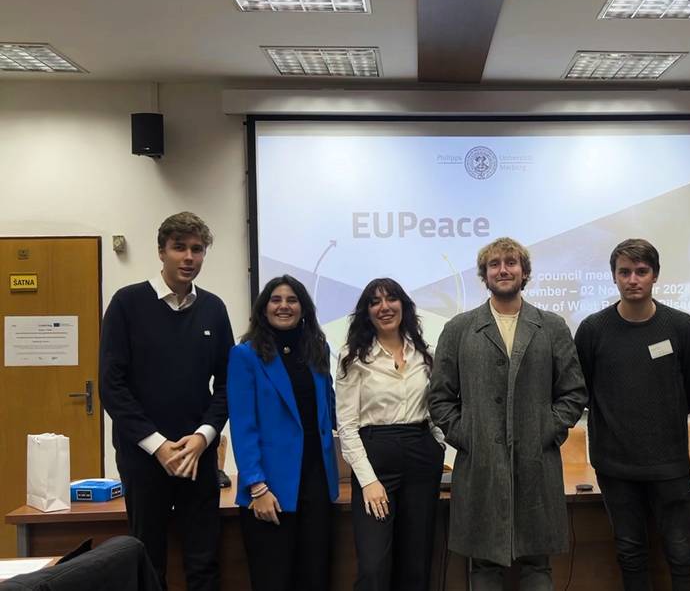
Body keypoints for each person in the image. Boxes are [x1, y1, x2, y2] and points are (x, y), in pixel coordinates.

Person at [428, 237, 587, 590]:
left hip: (536, 463)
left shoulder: (552, 326)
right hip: (480, 465)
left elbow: (574, 391)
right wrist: (467, 435)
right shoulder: (459, 329)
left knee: (537, 564)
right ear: (484, 275)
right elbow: (439, 398)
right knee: (482, 565)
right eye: (495, 264)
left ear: (524, 272)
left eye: (511, 263)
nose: (504, 270)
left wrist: (549, 430)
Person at [100, 212, 234, 591]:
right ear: (162, 252)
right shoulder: (128, 304)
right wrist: (157, 446)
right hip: (143, 457)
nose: (189, 257)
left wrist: (203, 437)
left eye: (197, 249)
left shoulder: (213, 309)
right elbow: (112, 386)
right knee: (147, 561)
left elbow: (228, 384)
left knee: (204, 561)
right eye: (180, 248)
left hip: (198, 456)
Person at [574, 238, 690, 591]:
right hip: (615, 466)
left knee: (681, 553)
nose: (633, 279)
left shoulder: (680, 326)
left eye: (641, 271)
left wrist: (660, 418)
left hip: (669, 464)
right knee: (630, 555)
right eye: (625, 272)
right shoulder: (592, 330)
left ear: (655, 276)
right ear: (614, 277)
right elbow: (582, 390)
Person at [227, 275, 340, 591]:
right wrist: (257, 488)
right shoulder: (245, 355)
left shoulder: (318, 349)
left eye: (292, 300)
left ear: (303, 308)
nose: (284, 306)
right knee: (273, 578)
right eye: (276, 300)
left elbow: (328, 411)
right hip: (271, 488)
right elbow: (243, 425)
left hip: (317, 481)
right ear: (264, 308)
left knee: (316, 577)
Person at [335, 278, 445, 591]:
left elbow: (435, 411)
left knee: (416, 564)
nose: (384, 307)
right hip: (376, 461)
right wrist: (368, 481)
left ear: (403, 306)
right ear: (366, 312)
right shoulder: (352, 357)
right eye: (375, 301)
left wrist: (438, 448)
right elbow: (346, 426)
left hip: (421, 458)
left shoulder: (425, 354)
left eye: (391, 299)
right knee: (373, 568)